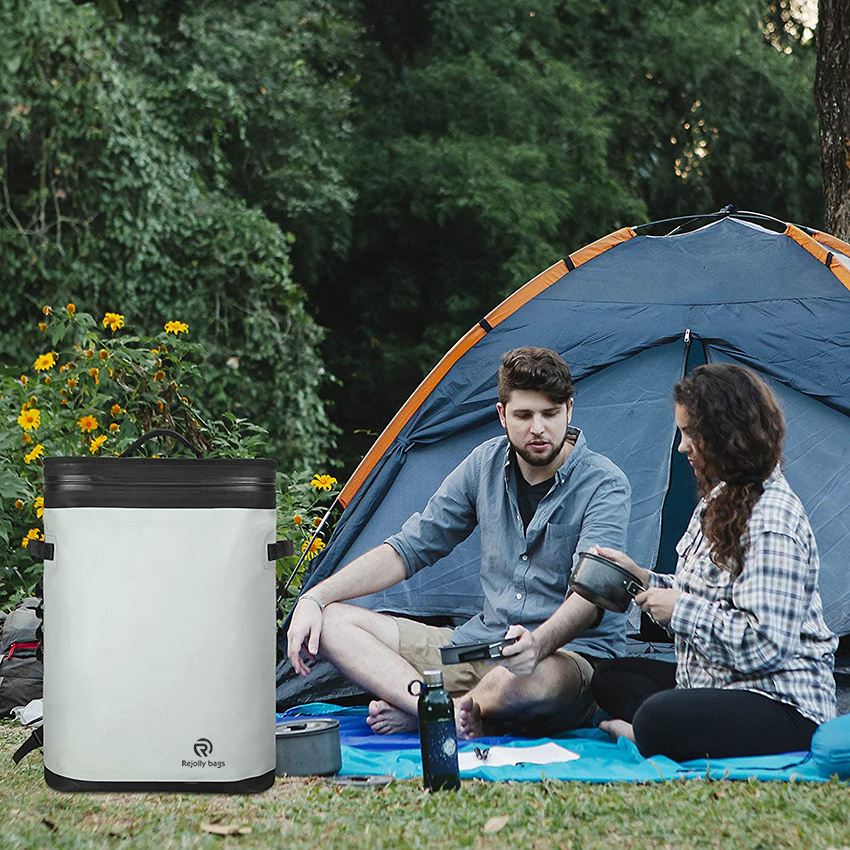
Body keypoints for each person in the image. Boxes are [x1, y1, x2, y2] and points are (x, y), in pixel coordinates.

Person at [287, 347, 631, 738]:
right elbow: (411, 547)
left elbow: (590, 599)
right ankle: (444, 714)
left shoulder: (605, 483)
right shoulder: (483, 464)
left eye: (550, 414)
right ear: (502, 415)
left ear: (569, 410)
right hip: (479, 647)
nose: (538, 428)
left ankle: (430, 713)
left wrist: (537, 644)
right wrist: (314, 597)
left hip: (560, 659)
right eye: (524, 415)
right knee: (332, 623)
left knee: (535, 682)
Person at [590, 363, 837, 761]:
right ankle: (679, 728)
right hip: (719, 681)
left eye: (691, 434)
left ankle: (651, 733)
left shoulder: (772, 520)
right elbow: (703, 589)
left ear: (726, 436)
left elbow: (765, 645)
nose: (681, 447)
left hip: (781, 702)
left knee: (656, 716)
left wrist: (681, 611)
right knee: (610, 677)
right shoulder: (721, 497)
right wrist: (641, 578)